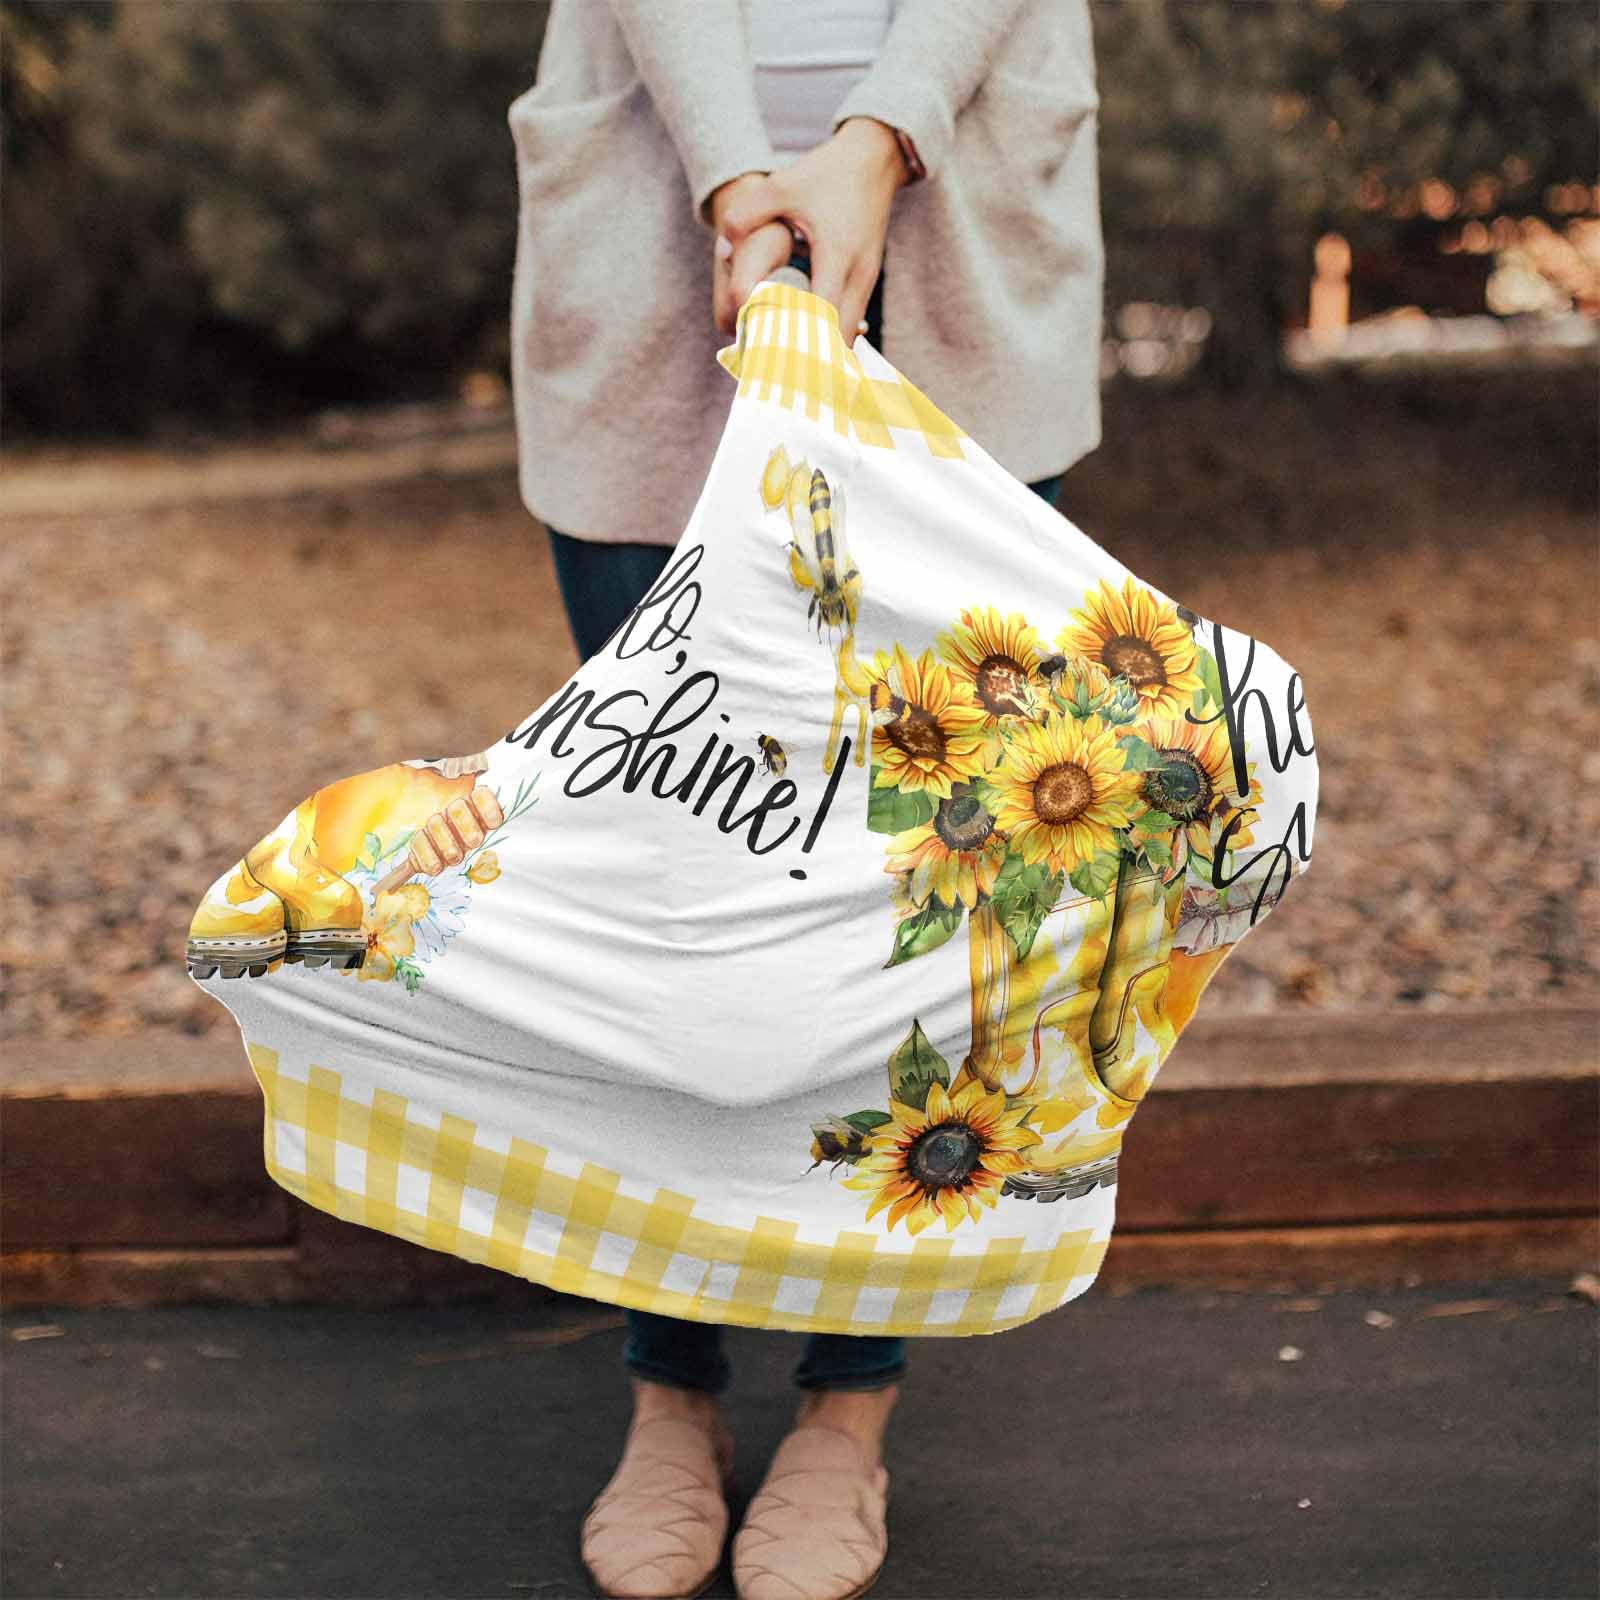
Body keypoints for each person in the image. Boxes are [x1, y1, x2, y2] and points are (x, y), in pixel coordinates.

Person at [506, 4, 1103, 1596]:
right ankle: (671, 1387)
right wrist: (734, 178)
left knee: (917, 883)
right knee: (668, 872)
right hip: (653, 218)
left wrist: (880, 139)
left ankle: (849, 1407)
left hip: (964, 225)